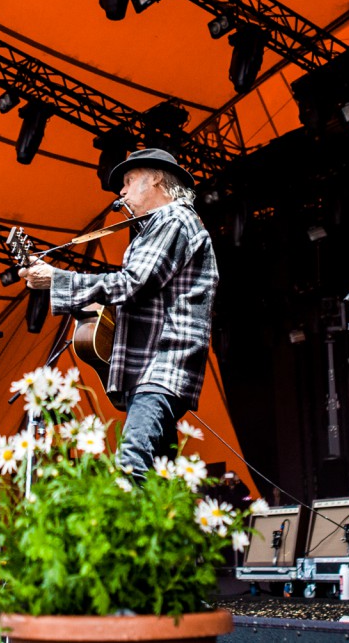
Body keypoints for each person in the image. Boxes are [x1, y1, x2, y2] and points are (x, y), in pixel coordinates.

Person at [19, 148, 218, 478]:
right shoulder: (164, 225)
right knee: (161, 484)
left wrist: (57, 278)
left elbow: (133, 283)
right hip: (153, 371)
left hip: (161, 369)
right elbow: (137, 292)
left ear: (155, 177)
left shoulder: (174, 218)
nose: (121, 191)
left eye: (128, 181)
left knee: (130, 470)